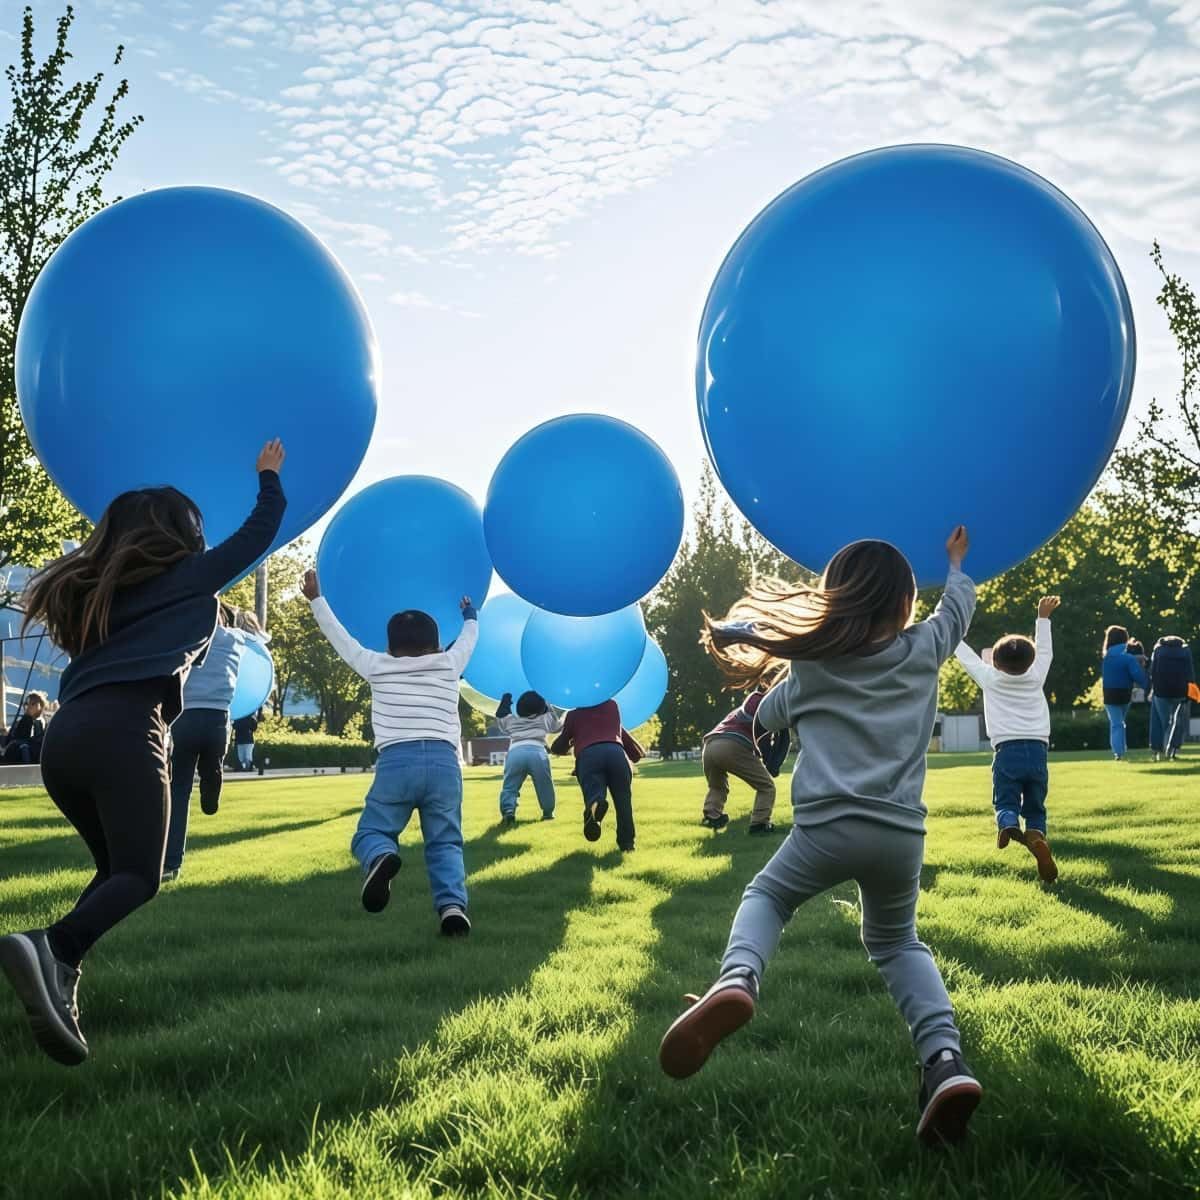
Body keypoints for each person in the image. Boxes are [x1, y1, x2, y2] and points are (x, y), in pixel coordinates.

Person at [658, 528, 982, 1148]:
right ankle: (944, 1062)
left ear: (835, 598)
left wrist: (769, 666)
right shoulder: (925, 647)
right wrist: (957, 563)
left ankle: (737, 981)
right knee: (896, 942)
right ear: (904, 605)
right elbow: (958, 609)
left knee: (769, 897)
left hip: (825, 827)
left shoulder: (812, 666)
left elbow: (767, 715)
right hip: (900, 833)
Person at [0, 441, 286, 1066]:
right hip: (128, 732)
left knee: (113, 874)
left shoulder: (96, 591)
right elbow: (258, 536)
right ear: (179, 536)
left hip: (66, 740)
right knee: (139, 877)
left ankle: (59, 977)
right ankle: (53, 946)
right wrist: (268, 478)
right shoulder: (190, 577)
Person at [302, 569, 477, 937]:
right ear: (436, 645)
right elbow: (469, 640)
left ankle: (380, 856)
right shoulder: (449, 664)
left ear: (389, 648)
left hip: (397, 762)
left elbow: (341, 640)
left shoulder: (377, 666)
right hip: (445, 764)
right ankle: (451, 908)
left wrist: (317, 598)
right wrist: (470, 615)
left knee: (371, 831)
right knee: (445, 841)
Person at [954, 597, 1060, 883]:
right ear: (1032, 661)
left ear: (996, 663)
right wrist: (1043, 617)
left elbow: (967, 659)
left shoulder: (990, 678)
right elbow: (1046, 650)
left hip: (1006, 750)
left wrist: (953, 632)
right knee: (1036, 805)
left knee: (1005, 798)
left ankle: (1008, 823)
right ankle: (1036, 835)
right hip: (1037, 750)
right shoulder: (1037, 675)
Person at [161, 606, 267, 882]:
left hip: (186, 720)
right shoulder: (235, 638)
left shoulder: (190, 637)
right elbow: (260, 640)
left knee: (179, 790)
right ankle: (212, 781)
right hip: (219, 722)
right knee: (212, 764)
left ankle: (171, 863)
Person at [550, 699, 644, 851]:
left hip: (589, 756)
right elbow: (618, 731)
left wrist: (573, 741)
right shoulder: (612, 705)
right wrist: (635, 753)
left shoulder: (574, 714)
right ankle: (627, 845)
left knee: (594, 793)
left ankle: (595, 806)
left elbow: (558, 746)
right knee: (623, 802)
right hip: (617, 755)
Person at [700, 681, 790, 835]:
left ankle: (712, 815)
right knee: (766, 787)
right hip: (732, 746)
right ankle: (760, 824)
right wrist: (771, 765)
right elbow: (766, 743)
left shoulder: (743, 707)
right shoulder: (768, 709)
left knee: (717, 786)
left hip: (709, 746)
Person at [495, 690, 562, 825]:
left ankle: (508, 810)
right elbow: (556, 726)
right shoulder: (544, 719)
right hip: (537, 752)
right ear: (541, 708)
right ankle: (548, 812)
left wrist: (505, 701)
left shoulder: (512, 720)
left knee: (510, 785)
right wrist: (548, 703)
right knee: (545, 784)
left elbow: (501, 717)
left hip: (515, 752)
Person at [1100, 626, 1147, 761]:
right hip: (1125, 693)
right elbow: (1138, 676)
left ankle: (1119, 752)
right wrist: (1148, 685)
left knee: (1116, 723)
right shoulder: (1128, 658)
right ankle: (1120, 751)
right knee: (1120, 723)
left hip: (1109, 693)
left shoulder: (1106, 657)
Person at [1149, 635, 1195, 761]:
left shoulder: (1158, 651)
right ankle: (1172, 750)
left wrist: (1152, 689)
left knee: (1159, 721)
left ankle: (1156, 751)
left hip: (1161, 691)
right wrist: (1189, 693)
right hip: (1180, 692)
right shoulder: (1185, 651)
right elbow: (1190, 673)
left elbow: (1152, 672)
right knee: (1178, 722)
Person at [1, 692, 47, 764]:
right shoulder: (21, 721)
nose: (28, 706)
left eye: (33, 703)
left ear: (41, 706)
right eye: (26, 704)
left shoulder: (41, 723)